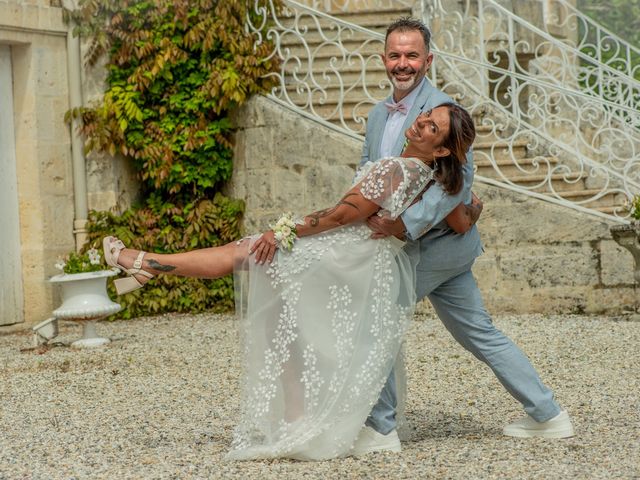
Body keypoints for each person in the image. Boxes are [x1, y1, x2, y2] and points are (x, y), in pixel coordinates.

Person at [103, 103, 476, 460]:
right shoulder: (428, 177)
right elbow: (461, 219)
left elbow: (342, 215)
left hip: (341, 253)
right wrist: (474, 208)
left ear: (441, 148)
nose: (421, 121)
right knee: (280, 318)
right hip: (363, 260)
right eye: (426, 115)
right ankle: (295, 419)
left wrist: (284, 230)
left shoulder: (398, 168)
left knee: (247, 256)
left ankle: (144, 262)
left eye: (431, 126)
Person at [352, 17, 574, 456]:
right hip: (445, 250)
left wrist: (403, 226)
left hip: (430, 247)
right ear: (383, 59)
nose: (403, 63)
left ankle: (380, 429)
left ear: (428, 59)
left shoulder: (444, 109)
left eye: (412, 55)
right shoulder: (379, 114)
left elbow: (459, 178)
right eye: (395, 55)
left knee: (374, 321)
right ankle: (549, 415)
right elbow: (368, 167)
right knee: (480, 332)